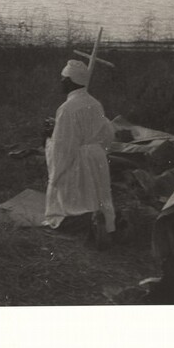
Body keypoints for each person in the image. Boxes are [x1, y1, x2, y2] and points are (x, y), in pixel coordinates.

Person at [42, 59, 116, 249]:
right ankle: (103, 220)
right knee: (97, 197)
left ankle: (87, 221)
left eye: (63, 78)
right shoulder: (95, 103)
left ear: (70, 81)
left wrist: (55, 172)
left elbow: (64, 147)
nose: (60, 81)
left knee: (63, 207)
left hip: (78, 159)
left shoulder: (66, 109)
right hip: (96, 157)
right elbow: (106, 133)